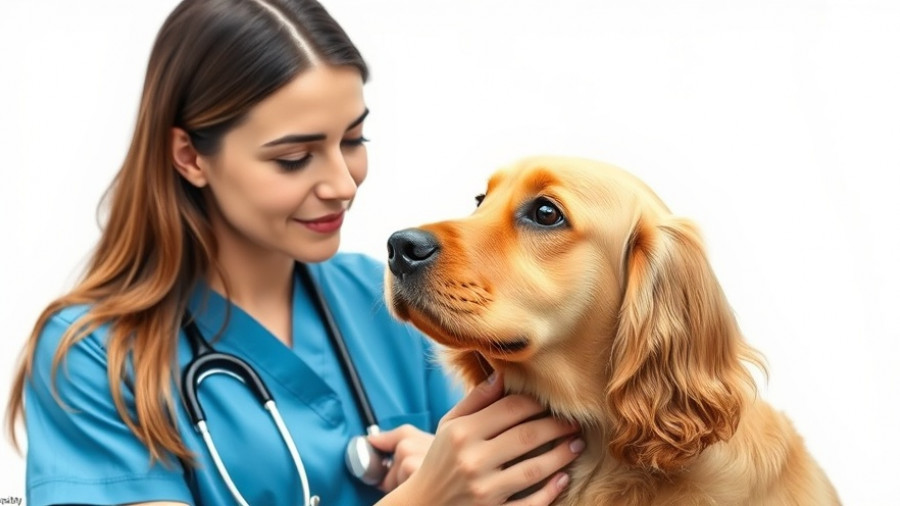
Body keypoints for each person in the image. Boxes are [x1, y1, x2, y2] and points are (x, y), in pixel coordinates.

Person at [4, 1, 584, 505]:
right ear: (190, 156)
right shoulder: (92, 359)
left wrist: (463, 476)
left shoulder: (388, 299)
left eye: (353, 140)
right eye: (293, 158)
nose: (342, 182)